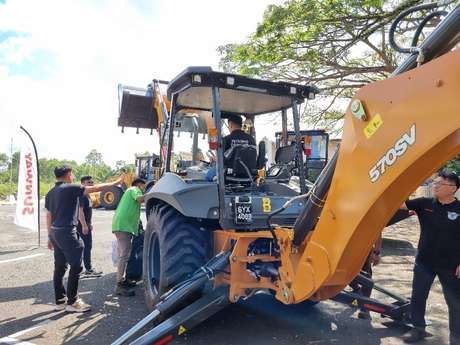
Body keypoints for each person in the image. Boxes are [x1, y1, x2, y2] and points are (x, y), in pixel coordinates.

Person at [46, 165, 124, 312]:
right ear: (68, 174)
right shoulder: (70, 188)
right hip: (67, 232)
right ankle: (73, 302)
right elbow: (95, 188)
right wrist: (116, 183)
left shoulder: (51, 192)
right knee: (76, 266)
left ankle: (60, 301)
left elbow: (48, 216)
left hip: (56, 232)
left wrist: (50, 236)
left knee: (60, 267)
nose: (72, 176)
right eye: (72, 173)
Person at [400, 170, 460, 344]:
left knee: (454, 303)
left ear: (453, 188)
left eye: (440, 183)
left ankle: (456, 337)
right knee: (418, 297)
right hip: (424, 262)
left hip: (451, 266)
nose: (435, 186)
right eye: (435, 182)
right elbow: (400, 205)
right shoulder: (424, 203)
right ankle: (417, 329)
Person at [112, 178, 146, 297]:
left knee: (125, 253)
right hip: (123, 226)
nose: (143, 189)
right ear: (139, 185)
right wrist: (154, 193)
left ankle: (123, 280)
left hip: (123, 225)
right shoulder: (134, 189)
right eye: (143, 187)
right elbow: (140, 199)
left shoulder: (130, 192)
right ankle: (119, 284)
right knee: (124, 255)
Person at [349, 235, 382, 320]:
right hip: (348, 246)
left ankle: (364, 308)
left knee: (366, 278)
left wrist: (376, 252)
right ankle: (357, 291)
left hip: (363, 247)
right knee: (349, 274)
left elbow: (377, 231)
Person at [77, 176, 102, 278]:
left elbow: (88, 212)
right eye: (89, 182)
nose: (92, 184)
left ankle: (80, 269)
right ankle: (88, 269)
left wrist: (89, 223)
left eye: (92, 182)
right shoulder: (82, 195)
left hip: (85, 224)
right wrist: (84, 225)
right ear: (83, 184)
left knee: (83, 247)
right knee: (87, 246)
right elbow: (80, 211)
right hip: (81, 225)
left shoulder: (87, 196)